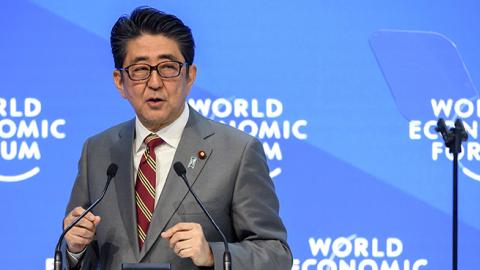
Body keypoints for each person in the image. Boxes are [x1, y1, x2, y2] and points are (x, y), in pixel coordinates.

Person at [63, 6, 292, 270]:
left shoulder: (237, 152)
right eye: (139, 70)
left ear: (190, 76)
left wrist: (211, 255)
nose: (155, 82)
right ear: (119, 82)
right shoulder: (98, 151)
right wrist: (75, 249)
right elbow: (84, 254)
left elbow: (276, 254)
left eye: (168, 67)